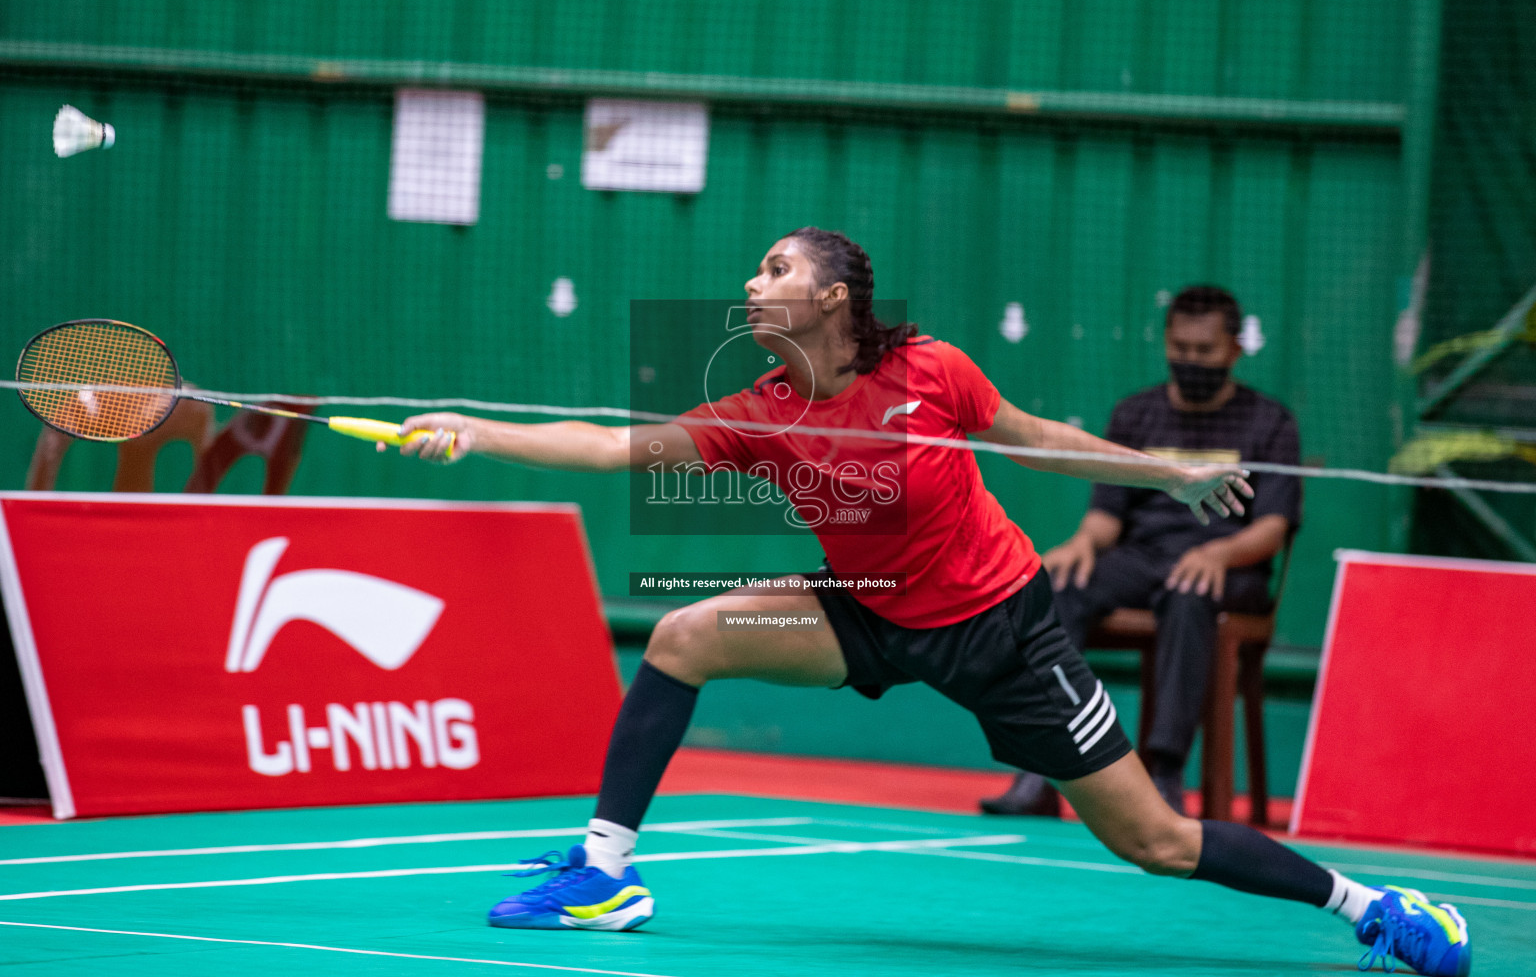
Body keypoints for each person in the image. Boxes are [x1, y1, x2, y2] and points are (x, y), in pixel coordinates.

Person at [392, 229, 1469, 976]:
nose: (753, 284)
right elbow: (612, 445)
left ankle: (1376, 910)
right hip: (863, 612)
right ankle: (605, 868)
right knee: (683, 636)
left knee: (1156, 841)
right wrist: (476, 432)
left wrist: (1172, 476)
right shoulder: (758, 411)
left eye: (775, 268)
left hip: (1005, 631)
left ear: (828, 296)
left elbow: (1040, 441)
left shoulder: (930, 372)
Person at [980, 285, 1300, 819]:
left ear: (1233, 351)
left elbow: (1271, 528)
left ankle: (1164, 773)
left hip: (1226, 566)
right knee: (1058, 587)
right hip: (1142, 555)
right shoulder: (1136, 414)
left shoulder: (1269, 423)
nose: (1190, 361)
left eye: (1204, 351)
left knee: (1190, 592)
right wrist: (1082, 544)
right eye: (1180, 349)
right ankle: (1042, 765)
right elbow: (1106, 517)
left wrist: (1220, 555)